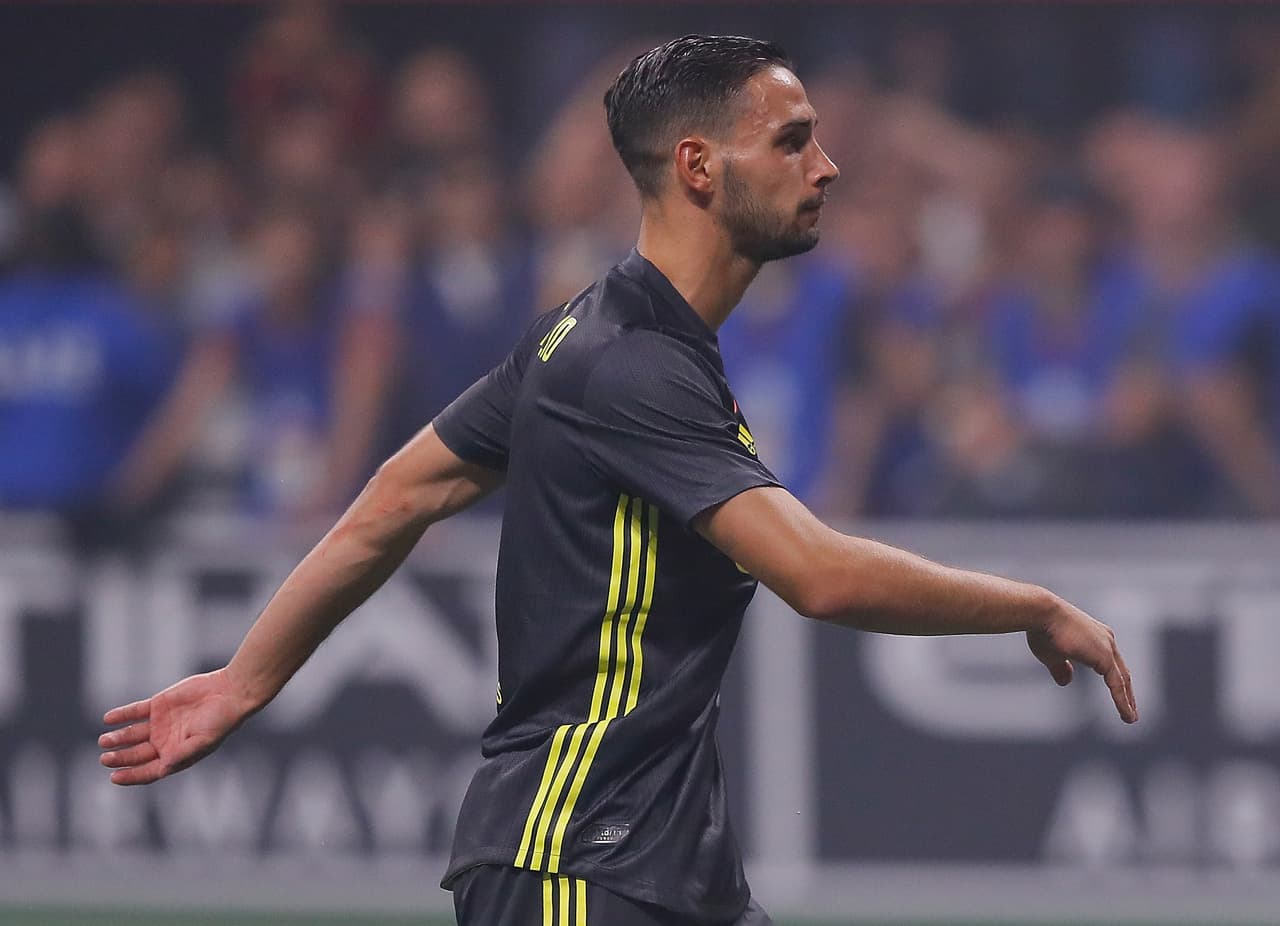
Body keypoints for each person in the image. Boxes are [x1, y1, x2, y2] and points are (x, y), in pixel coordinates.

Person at [99, 36, 1138, 926]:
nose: (825, 167)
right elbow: (819, 575)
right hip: (575, 860)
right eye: (791, 141)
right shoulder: (629, 366)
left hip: (655, 861)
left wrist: (244, 680)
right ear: (698, 166)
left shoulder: (588, 335)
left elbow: (395, 499)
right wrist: (1031, 604)